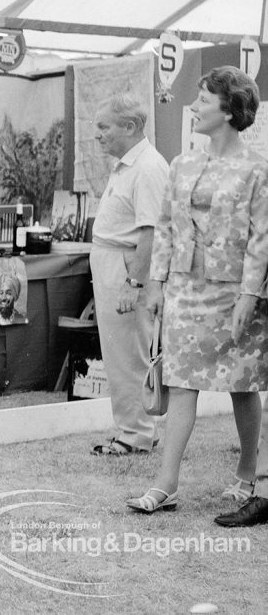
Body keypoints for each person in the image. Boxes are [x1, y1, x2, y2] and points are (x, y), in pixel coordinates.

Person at [127, 66, 268, 514]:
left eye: (204, 101)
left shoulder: (257, 169)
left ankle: (247, 475)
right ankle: (166, 484)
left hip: (234, 293)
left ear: (229, 111)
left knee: (241, 385)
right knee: (180, 383)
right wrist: (157, 282)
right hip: (186, 289)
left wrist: (250, 295)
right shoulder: (183, 163)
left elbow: (263, 238)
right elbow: (166, 227)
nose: (194, 107)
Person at [88, 95, 170, 457]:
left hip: (125, 267)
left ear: (130, 127)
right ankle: (135, 430)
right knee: (120, 353)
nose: (98, 135)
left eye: (104, 127)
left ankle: (135, 434)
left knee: (128, 354)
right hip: (113, 263)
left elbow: (151, 233)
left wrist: (133, 282)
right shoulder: (127, 165)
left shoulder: (148, 167)